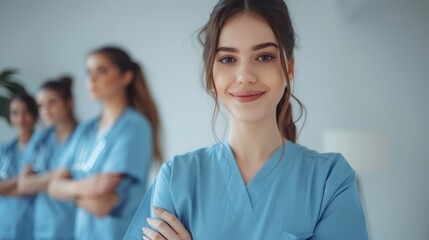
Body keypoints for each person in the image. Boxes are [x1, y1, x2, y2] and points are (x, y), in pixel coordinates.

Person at [124, 0, 369, 239]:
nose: (245, 76)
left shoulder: (330, 179)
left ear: (289, 68)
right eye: (228, 59)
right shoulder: (176, 178)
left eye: (264, 57)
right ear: (211, 74)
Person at [48, 46, 162, 240]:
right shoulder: (86, 129)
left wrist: (68, 190)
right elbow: (52, 187)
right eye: (88, 72)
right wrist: (83, 187)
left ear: (126, 77)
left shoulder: (134, 127)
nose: (91, 79)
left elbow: (102, 205)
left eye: (102, 71)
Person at [17, 76, 78, 240]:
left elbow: (79, 179)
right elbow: (23, 184)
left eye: (52, 103)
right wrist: (59, 177)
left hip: (73, 225)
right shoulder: (40, 139)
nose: (46, 110)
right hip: (43, 227)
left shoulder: (83, 136)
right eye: (41, 106)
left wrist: (37, 180)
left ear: (68, 102)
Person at [0, 92, 38, 240]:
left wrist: (5, 189)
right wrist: (22, 180)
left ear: (34, 114)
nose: (20, 119)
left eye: (26, 112)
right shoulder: (4, 150)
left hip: (33, 224)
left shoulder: (44, 147)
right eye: (15, 113)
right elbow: (28, 185)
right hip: (6, 225)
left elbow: (40, 187)